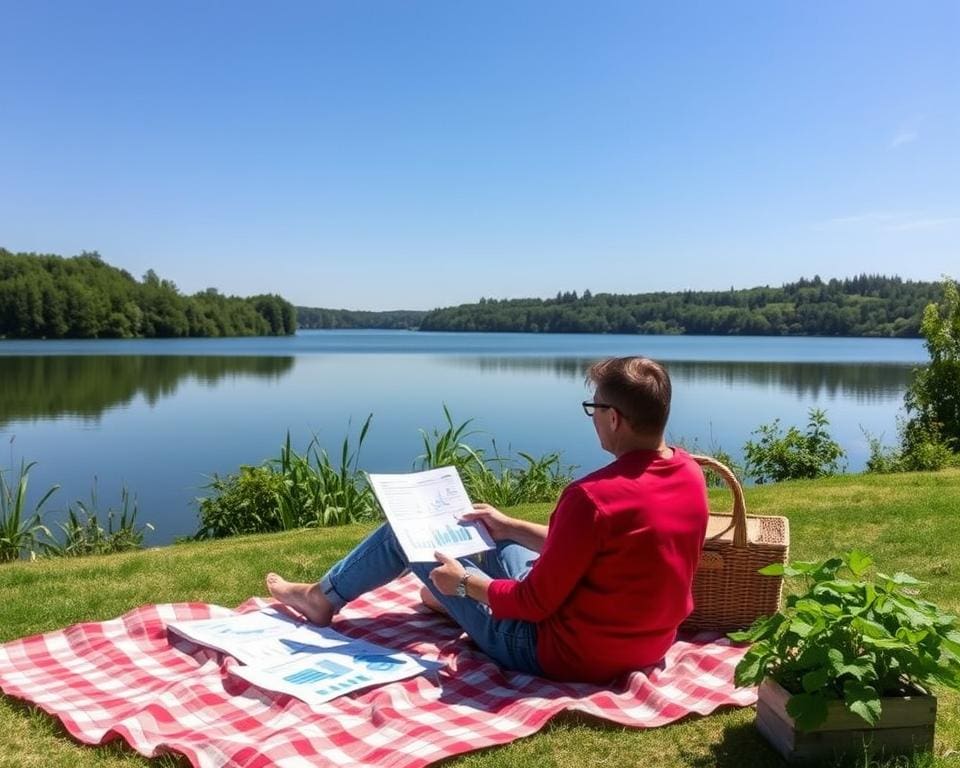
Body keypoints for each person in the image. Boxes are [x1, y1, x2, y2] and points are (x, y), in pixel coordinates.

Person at [266, 356, 709, 684]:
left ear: (614, 419)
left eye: (593, 410)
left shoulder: (591, 498)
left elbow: (534, 605)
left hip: (561, 653)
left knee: (408, 534)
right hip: (645, 643)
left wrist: (464, 584)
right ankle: (442, 597)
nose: (593, 419)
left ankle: (320, 599)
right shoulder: (689, 473)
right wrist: (510, 525)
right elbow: (599, 545)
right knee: (503, 542)